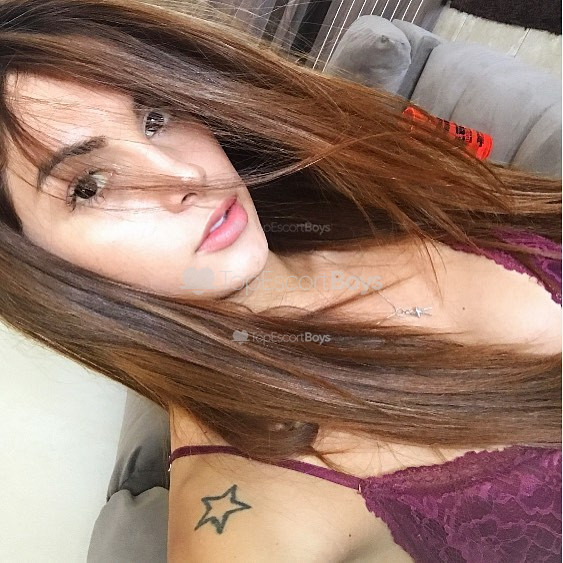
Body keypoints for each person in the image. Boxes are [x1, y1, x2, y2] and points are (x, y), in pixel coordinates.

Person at [0, 0, 560, 561]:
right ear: (41, 271)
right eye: (90, 186)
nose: (184, 174)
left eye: (155, 117)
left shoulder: (352, 188)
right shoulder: (246, 522)